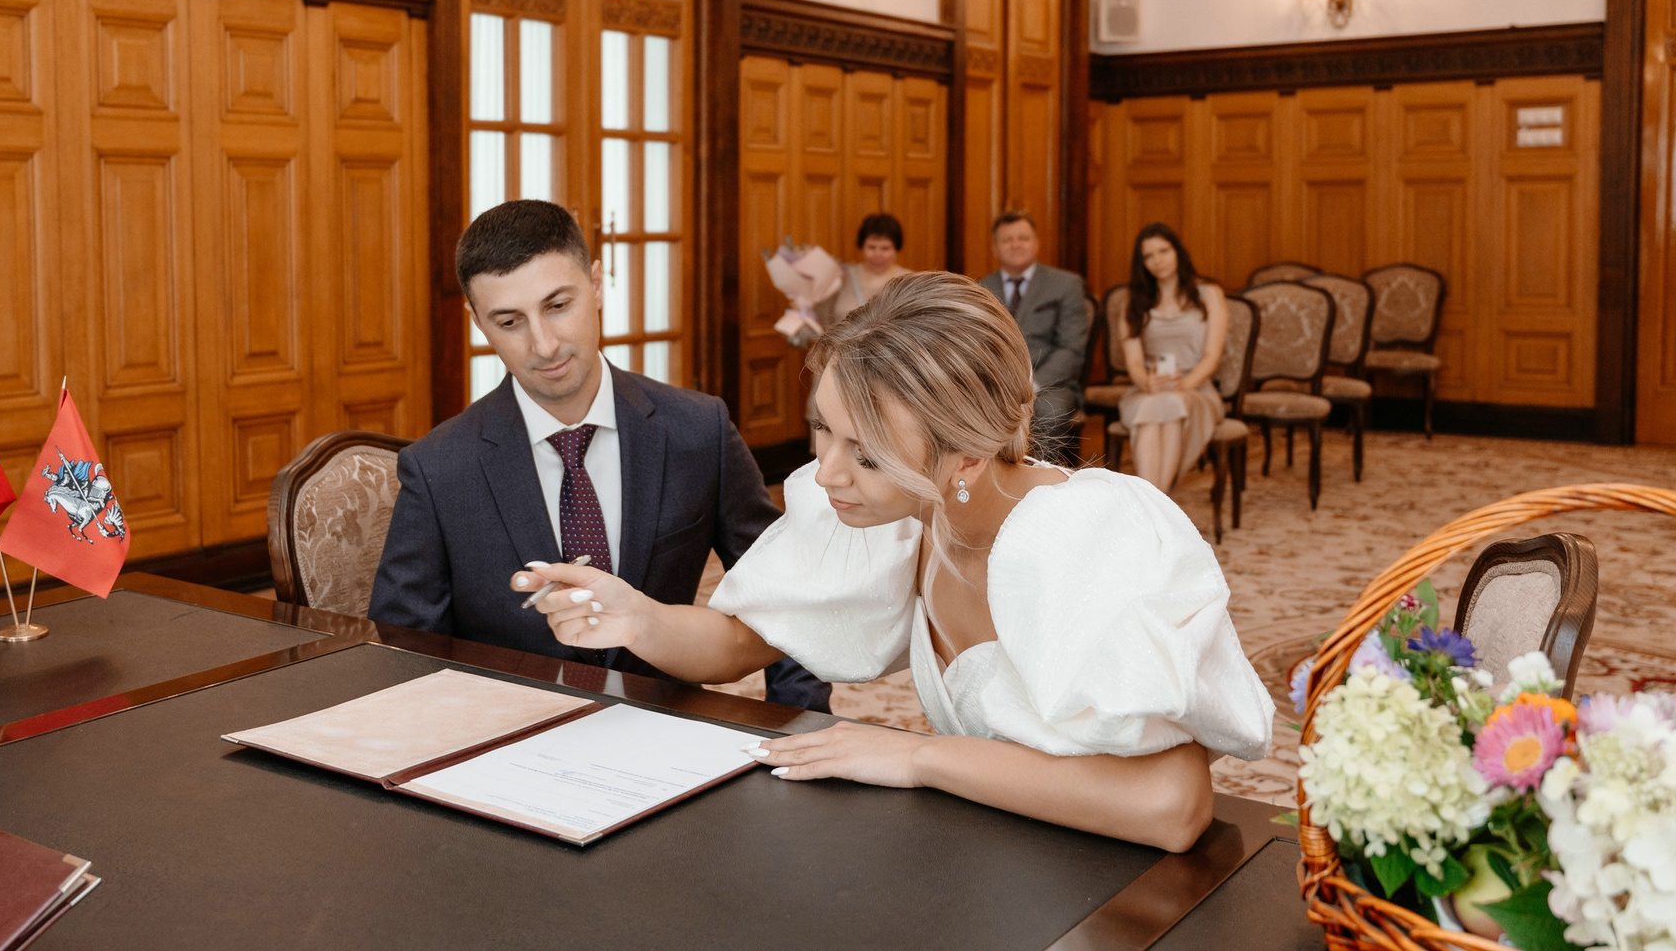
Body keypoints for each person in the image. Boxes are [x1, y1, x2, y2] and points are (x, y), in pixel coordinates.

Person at [509, 272, 1272, 852]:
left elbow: (1170, 805)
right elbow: (743, 637)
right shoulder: (902, 516)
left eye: (867, 454)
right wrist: (638, 616)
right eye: (823, 429)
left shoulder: (1081, 536)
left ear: (967, 454)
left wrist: (918, 757)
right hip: (996, 849)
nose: (827, 472)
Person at [368, 200, 830, 712]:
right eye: (509, 321)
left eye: (558, 305)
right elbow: (406, 652)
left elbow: (783, 595)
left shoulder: (699, 430)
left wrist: (799, 720)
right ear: (478, 322)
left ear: (595, 283)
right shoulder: (439, 467)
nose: (544, 344)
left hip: (667, 727)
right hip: (506, 733)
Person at [1116, 224, 1228, 494]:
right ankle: (1160, 502)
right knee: (1157, 404)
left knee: (1173, 402)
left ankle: (1152, 503)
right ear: (1142, 263)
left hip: (1196, 388)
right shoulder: (1132, 300)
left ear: (1177, 251)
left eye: (1164, 251)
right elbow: (1133, 361)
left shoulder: (1209, 294)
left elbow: (1212, 357)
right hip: (1148, 387)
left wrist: (1184, 385)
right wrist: (1148, 383)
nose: (1158, 260)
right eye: (1149, 255)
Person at [976, 211, 1088, 447]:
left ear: (1036, 243)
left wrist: (1032, 385)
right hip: (997, 384)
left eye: (1023, 238)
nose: (1016, 245)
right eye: (1007, 240)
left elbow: (1071, 349)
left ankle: (1038, 472)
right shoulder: (980, 289)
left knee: (1049, 412)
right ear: (994, 248)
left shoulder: (1066, 284)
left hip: (1051, 385)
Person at [823, 213, 911, 325]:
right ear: (862, 246)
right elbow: (823, 319)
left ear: (896, 249)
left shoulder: (908, 281)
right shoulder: (842, 276)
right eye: (871, 247)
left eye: (885, 248)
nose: (878, 254)